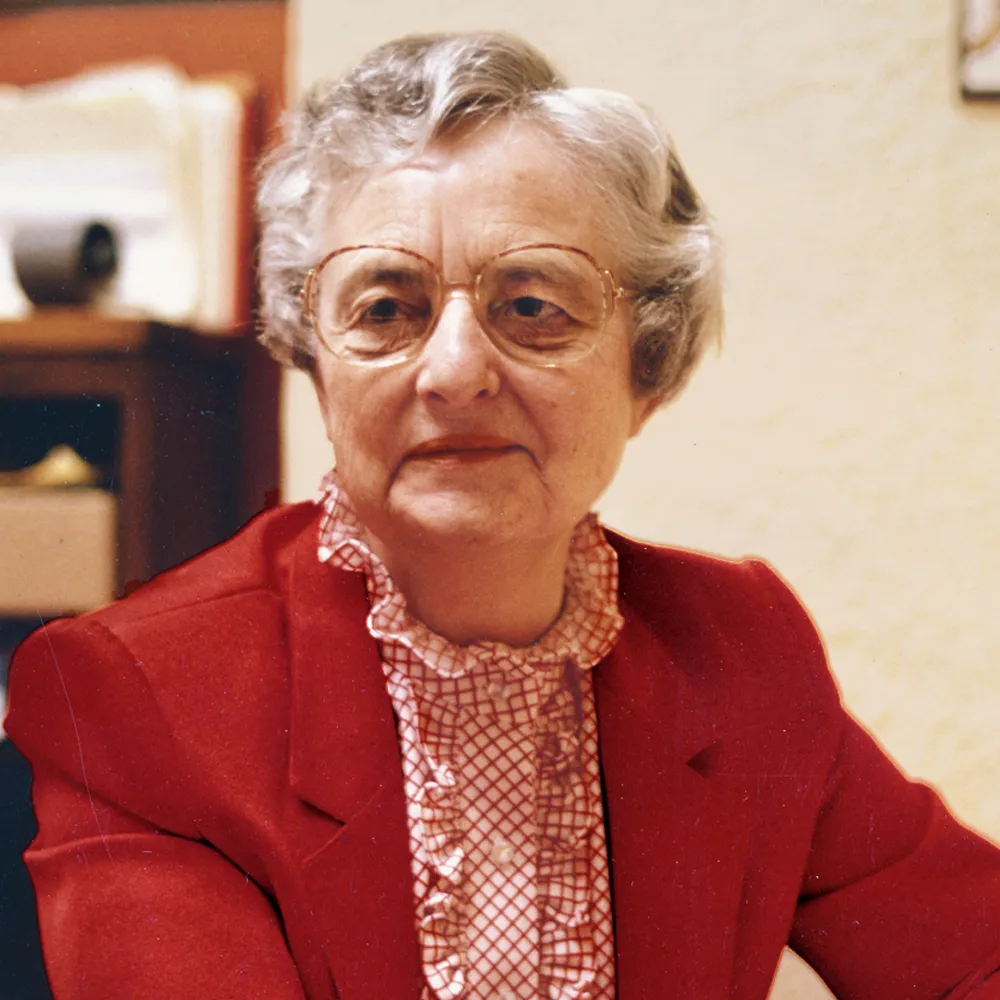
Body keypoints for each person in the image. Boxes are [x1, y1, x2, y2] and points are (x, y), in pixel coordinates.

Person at [6, 31, 1000, 1000]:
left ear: (644, 370)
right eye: (386, 308)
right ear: (316, 363)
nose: (452, 373)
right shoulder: (139, 696)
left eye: (533, 306)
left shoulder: (740, 652)